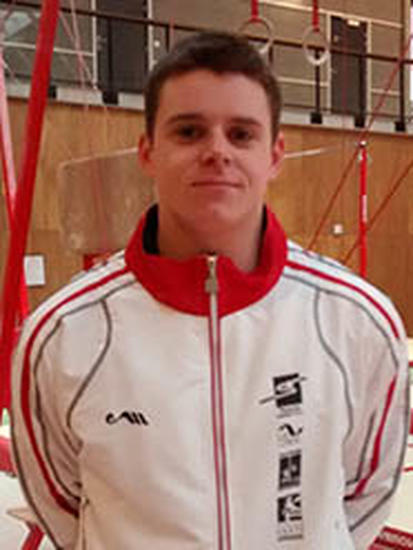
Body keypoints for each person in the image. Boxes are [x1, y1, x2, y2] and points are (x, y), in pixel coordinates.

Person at [11, 31, 409, 550]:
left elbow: (363, 494)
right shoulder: (64, 332)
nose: (217, 151)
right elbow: (62, 504)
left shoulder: (358, 321)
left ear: (275, 155)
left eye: (241, 134)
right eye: (189, 131)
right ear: (148, 152)